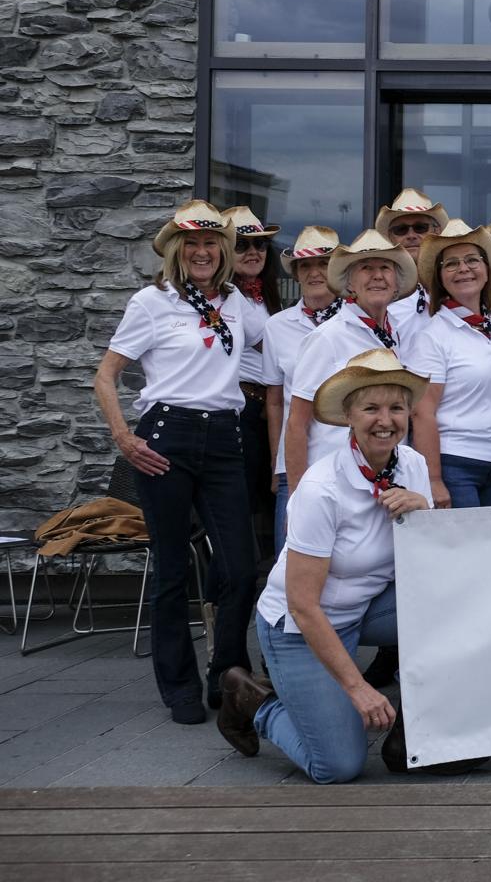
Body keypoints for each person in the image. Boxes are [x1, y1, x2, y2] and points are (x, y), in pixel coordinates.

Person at [213, 349, 431, 784]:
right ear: (348, 416)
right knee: (337, 765)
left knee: (452, 607)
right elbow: (302, 604)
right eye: (370, 408)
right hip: (302, 625)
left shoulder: (413, 464)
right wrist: (358, 687)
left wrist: (424, 511)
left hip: (366, 608)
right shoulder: (321, 488)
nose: (385, 420)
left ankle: (423, 725)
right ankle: (254, 702)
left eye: (396, 407)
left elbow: (432, 561)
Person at [94, 200, 263, 724]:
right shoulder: (152, 301)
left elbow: (281, 341)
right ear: (175, 250)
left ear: (224, 251)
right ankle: (178, 685)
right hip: (167, 436)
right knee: (171, 566)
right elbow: (106, 375)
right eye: (191, 243)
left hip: (225, 439)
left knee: (240, 568)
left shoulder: (238, 304)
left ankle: (226, 673)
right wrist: (124, 437)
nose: (202, 252)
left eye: (211, 242)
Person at [285, 231, 424, 505]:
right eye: (366, 268)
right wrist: (297, 499)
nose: (377, 276)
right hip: (335, 484)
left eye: (385, 268)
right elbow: (297, 423)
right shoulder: (327, 337)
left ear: (396, 282)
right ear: (349, 282)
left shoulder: (398, 333)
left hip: (390, 478)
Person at [407, 220, 491, 510]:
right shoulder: (432, 336)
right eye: (451, 264)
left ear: (487, 270)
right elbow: (422, 412)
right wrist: (433, 479)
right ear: (440, 277)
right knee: (465, 541)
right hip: (456, 463)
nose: (463, 269)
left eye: (472, 260)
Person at [261, 226, 344, 548]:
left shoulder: (358, 321)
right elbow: (274, 400)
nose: (314, 272)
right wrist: (275, 463)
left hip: (348, 457)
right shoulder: (276, 326)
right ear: (295, 273)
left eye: (323, 263)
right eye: (305, 265)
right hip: (295, 461)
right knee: (291, 552)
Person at [222, 206, 285, 556]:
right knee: (243, 499)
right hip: (246, 407)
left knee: (268, 492)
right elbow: (274, 347)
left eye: (260, 245)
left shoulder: (262, 294)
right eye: (242, 244)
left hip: (268, 406)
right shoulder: (228, 292)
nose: (253, 252)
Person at [373, 187, 448, 322]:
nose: (411, 235)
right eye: (401, 230)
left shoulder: (456, 280)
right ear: (390, 237)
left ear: (436, 231)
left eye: (420, 228)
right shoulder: (375, 287)